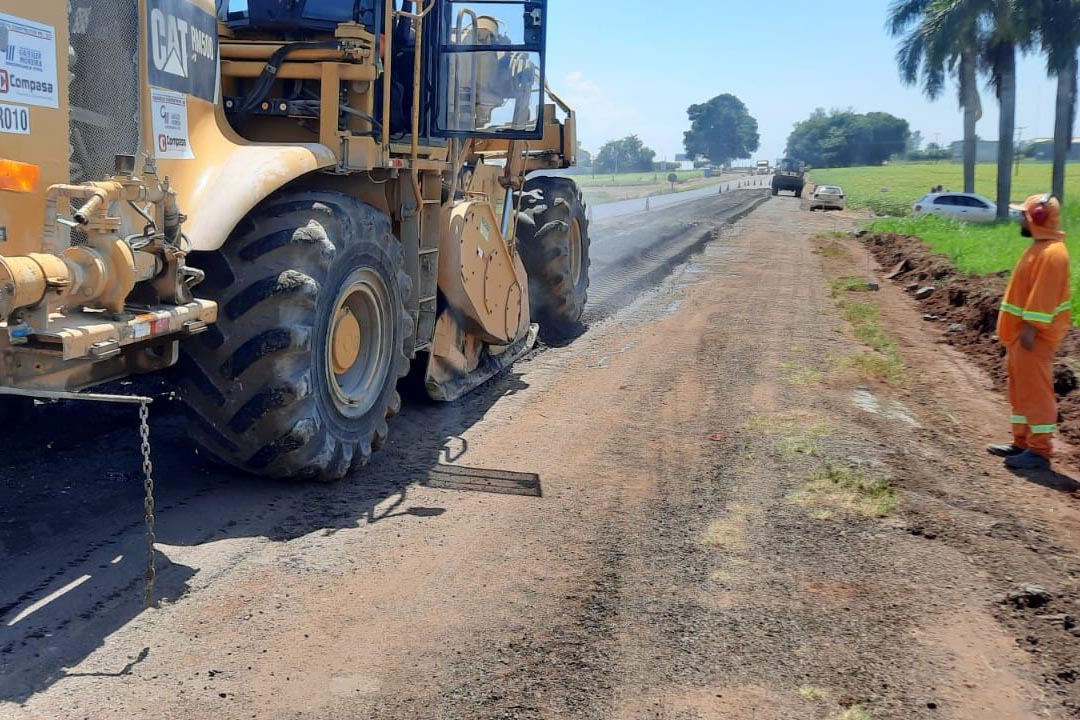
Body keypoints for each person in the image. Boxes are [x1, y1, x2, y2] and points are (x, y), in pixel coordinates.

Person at [987, 193, 1072, 470]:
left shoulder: (1052, 253)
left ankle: (1040, 450)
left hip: (1033, 338)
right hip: (1020, 336)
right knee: (1020, 391)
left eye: (1023, 215)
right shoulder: (1040, 248)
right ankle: (1021, 442)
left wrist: (1031, 329)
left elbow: (1043, 297)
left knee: (1036, 393)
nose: (1019, 219)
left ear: (1037, 217)